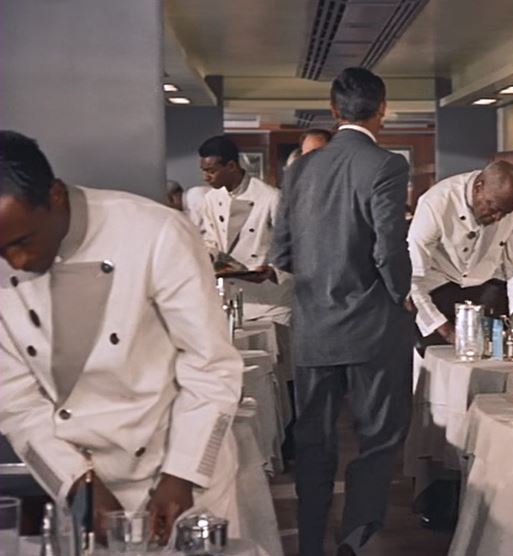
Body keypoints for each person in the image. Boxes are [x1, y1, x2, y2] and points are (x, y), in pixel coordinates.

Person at [0, 131, 244, 545]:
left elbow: (211, 365)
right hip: (84, 478)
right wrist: (76, 484)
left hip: (180, 469)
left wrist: (182, 473)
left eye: (23, 241)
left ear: (56, 196)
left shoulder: (154, 233)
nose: (16, 261)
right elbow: (17, 403)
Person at [269, 67, 412, 556]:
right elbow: (388, 248)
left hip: (313, 325)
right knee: (378, 436)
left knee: (314, 441)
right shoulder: (386, 164)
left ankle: (310, 541)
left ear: (334, 110)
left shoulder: (300, 169)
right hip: (373, 326)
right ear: (382, 109)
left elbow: (281, 252)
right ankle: (354, 537)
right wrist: (400, 294)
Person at [407, 160, 513, 350]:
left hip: (487, 290)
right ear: (478, 187)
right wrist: (446, 331)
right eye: (493, 208)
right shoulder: (436, 202)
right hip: (437, 292)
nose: (498, 218)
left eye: (504, 213)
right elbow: (412, 278)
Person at [197, 135, 293, 328]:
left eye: (211, 171)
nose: (205, 178)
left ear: (231, 166)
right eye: (204, 171)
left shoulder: (270, 197)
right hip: (231, 298)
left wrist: (273, 271)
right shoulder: (211, 199)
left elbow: (292, 245)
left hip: (271, 303)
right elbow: (210, 240)